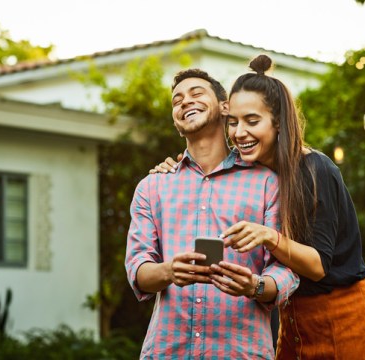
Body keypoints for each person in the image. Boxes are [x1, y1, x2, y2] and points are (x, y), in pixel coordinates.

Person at [151, 54, 365, 359]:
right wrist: (174, 168)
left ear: (278, 123)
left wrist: (268, 237)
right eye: (233, 122)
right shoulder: (256, 174)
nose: (239, 133)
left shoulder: (314, 169)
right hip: (291, 319)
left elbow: (318, 266)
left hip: (342, 315)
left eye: (253, 121)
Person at [124, 68, 299, 359]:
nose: (184, 102)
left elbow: (286, 270)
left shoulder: (267, 183)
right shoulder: (152, 187)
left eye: (196, 93)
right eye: (177, 100)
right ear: (176, 121)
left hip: (241, 352)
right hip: (167, 351)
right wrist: (169, 271)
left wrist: (254, 286)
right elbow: (138, 270)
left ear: (224, 107)